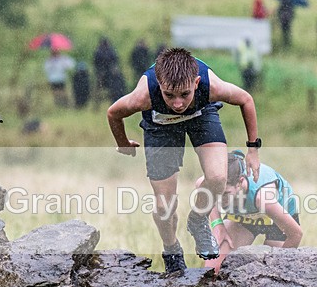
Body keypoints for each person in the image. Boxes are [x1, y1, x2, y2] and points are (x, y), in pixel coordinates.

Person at [107, 47, 261, 274]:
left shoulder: (211, 86)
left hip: (201, 115)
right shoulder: (144, 94)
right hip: (159, 126)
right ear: (159, 84)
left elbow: (246, 100)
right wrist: (123, 143)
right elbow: (113, 113)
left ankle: (198, 220)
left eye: (184, 94)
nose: (178, 104)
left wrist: (253, 150)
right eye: (169, 95)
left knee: (218, 177)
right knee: (164, 206)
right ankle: (172, 250)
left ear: (197, 82)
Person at [200, 151, 302, 273]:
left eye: (225, 193)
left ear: (240, 182)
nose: (219, 199)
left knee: (271, 271)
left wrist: (280, 267)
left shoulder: (264, 198)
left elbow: (296, 234)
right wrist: (217, 224)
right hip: (244, 214)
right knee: (213, 268)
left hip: (276, 220)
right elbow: (200, 187)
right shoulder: (211, 183)